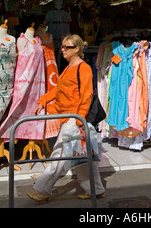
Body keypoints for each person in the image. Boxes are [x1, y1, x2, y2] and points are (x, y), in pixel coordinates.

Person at [26, 34, 105, 202]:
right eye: (62, 46)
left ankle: (42, 190)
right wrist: (43, 101)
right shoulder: (69, 67)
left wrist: (79, 119)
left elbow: (87, 95)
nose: (62, 49)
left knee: (58, 154)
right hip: (69, 117)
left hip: (74, 118)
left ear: (76, 49)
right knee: (81, 158)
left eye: (66, 47)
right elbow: (58, 89)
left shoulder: (83, 69)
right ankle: (96, 190)